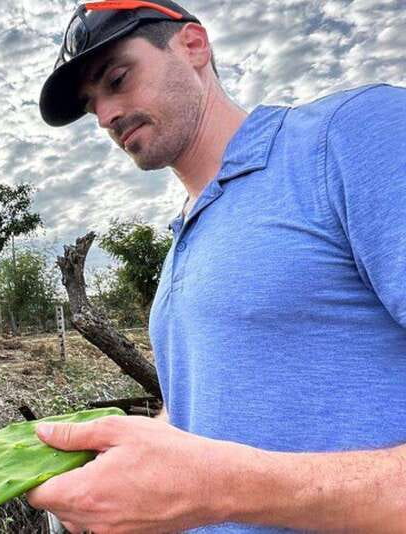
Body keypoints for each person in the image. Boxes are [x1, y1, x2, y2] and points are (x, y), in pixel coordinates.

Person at [28, 1, 406, 533]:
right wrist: (117, 469)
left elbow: (211, 478)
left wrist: (217, 488)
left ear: (194, 46)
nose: (107, 115)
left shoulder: (349, 137)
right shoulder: (186, 237)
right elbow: (200, 418)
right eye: (93, 107)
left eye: (118, 78)